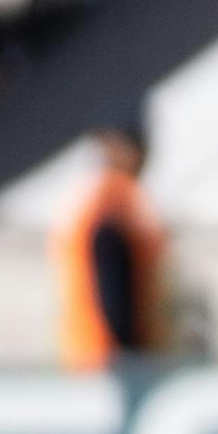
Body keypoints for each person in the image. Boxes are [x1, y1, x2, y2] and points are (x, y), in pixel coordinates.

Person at [52, 119, 165, 367]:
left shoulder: (87, 196)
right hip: (111, 360)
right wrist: (129, 356)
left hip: (88, 357)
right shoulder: (115, 200)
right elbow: (113, 287)